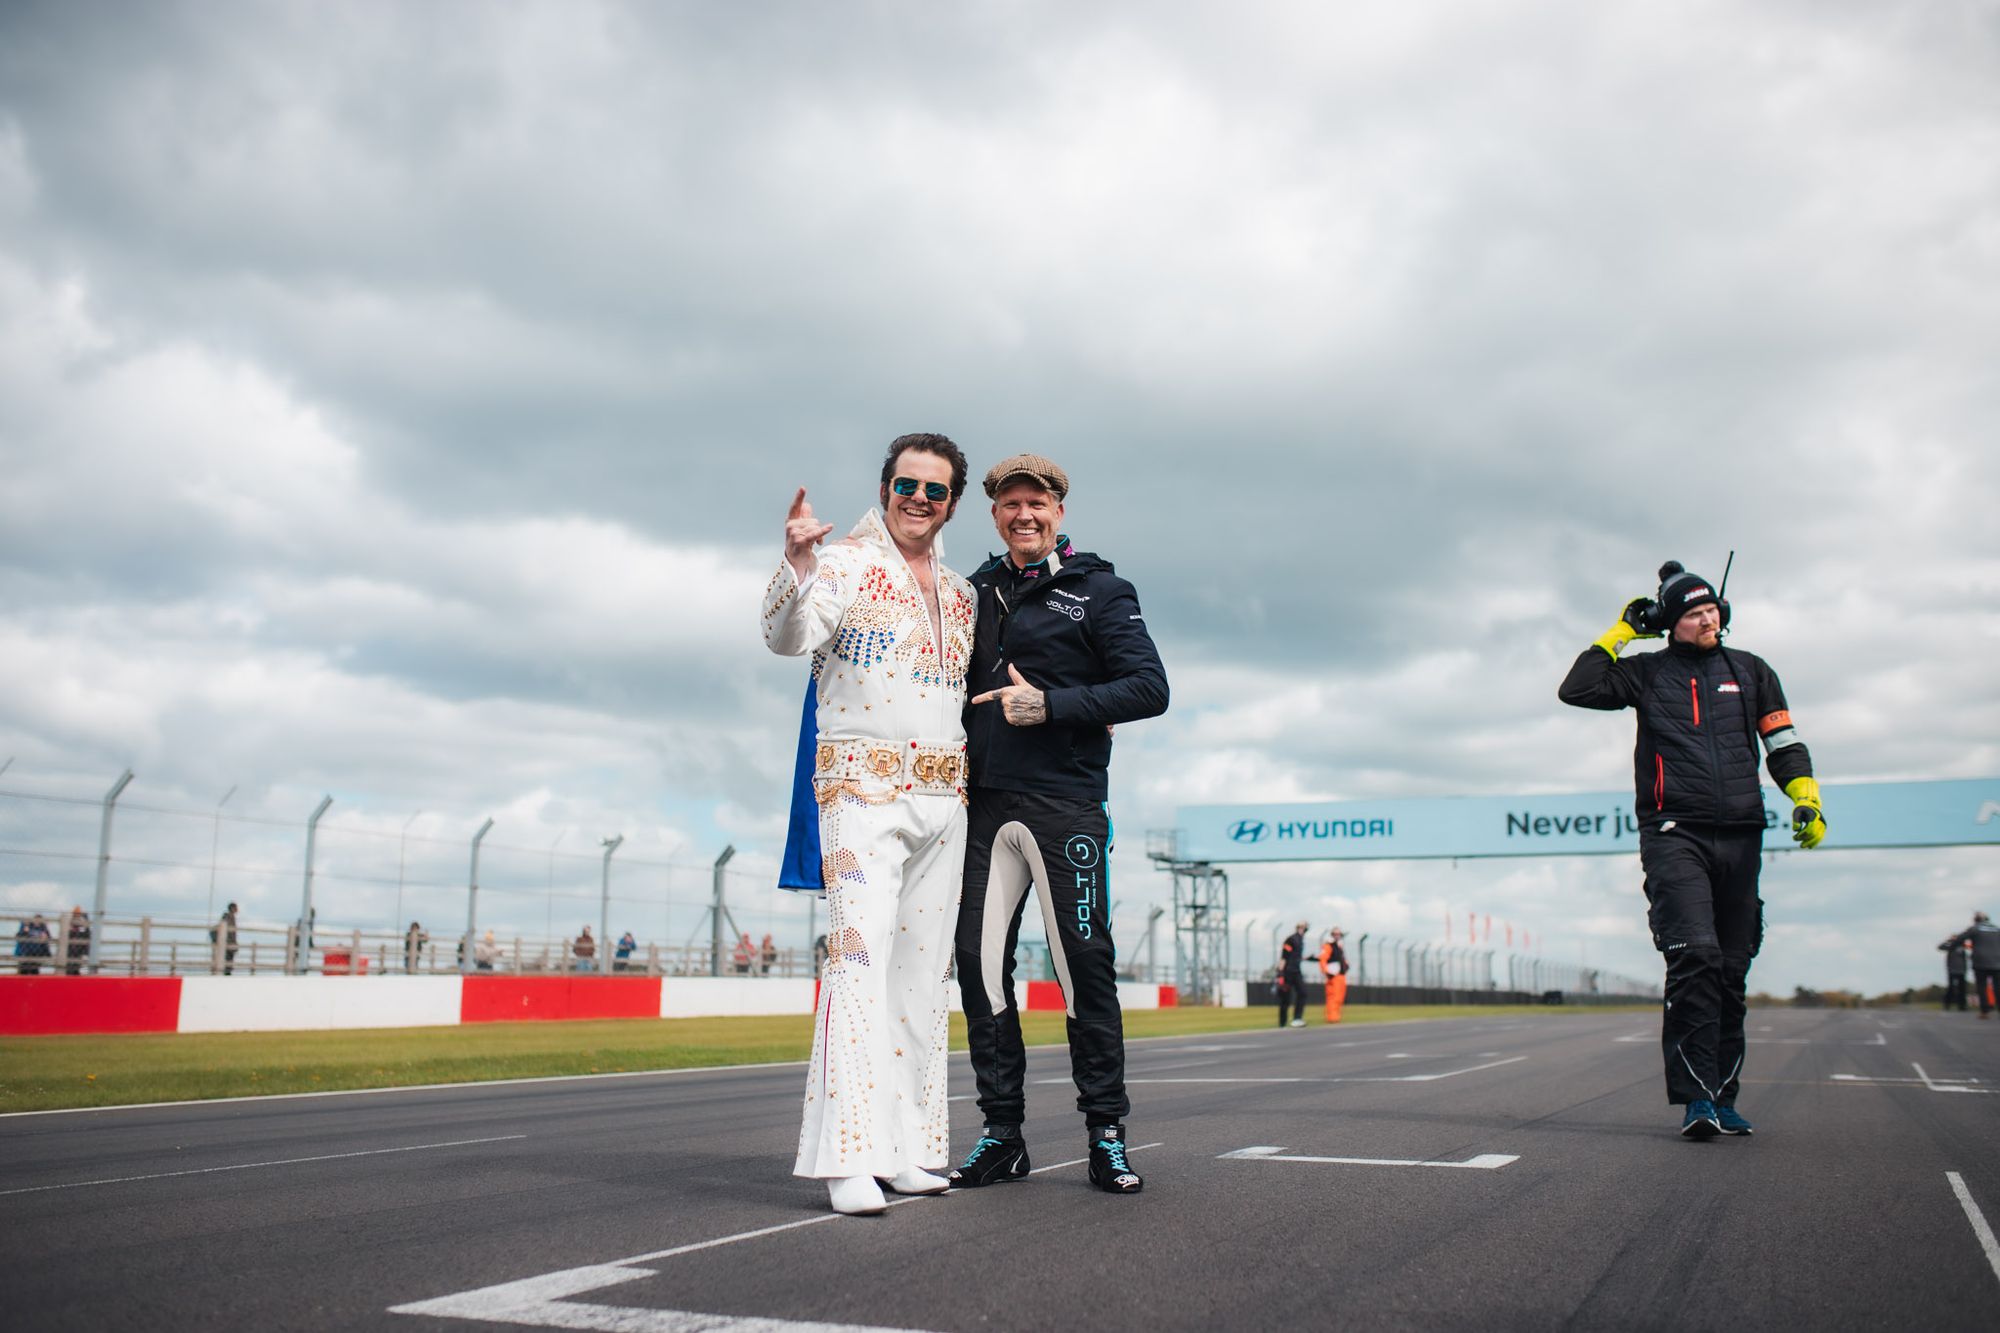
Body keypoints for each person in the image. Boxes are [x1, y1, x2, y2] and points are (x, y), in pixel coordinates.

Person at [761, 432, 977, 1216]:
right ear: (886, 488)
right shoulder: (844, 563)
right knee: (855, 964)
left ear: (951, 502)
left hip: (945, 798)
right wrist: (796, 564)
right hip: (859, 790)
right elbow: (788, 636)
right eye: (906, 485)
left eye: (934, 489)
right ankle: (849, 1157)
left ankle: (909, 1149)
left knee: (923, 979)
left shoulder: (962, 592)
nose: (918, 499)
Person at [948, 453, 1169, 1196]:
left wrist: (1050, 705)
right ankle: (1002, 1135)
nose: (1024, 515)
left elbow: (1150, 687)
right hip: (985, 807)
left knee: (1083, 966)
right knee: (978, 969)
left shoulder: (1101, 590)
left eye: (1037, 503)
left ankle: (1106, 1134)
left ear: (1058, 512)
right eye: (1011, 504)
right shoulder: (972, 591)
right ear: (995, 515)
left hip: (1065, 805)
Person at [1560, 560, 1824, 1139]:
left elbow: (1783, 743)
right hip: (1673, 833)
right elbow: (1577, 688)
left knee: (1731, 968)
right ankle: (1696, 1101)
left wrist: (1806, 797)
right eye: (1694, 613)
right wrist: (1621, 632)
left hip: (1742, 833)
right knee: (1695, 956)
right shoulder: (1646, 672)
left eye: (1712, 610)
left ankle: (1724, 1099)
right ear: (1669, 623)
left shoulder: (1752, 671)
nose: (1707, 620)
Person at [1949, 912, 2000, 1019]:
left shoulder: (1975, 928)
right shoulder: (1996, 928)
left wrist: (1952, 946)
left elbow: (1960, 938)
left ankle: (1984, 1011)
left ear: (1976, 920)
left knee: (1982, 986)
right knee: (1998, 986)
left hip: (1980, 961)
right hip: (1997, 961)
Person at [1277, 922, 1308, 1027]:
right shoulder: (1291, 939)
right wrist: (1281, 973)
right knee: (1286, 997)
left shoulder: (1301, 941)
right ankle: (1282, 1023)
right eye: (1301, 927)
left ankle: (1297, 1018)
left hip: (1296, 971)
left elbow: (1297, 957)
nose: (1303, 930)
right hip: (1288, 971)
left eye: (1304, 928)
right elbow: (1284, 957)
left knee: (1303, 992)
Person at [1319, 927, 1349, 1024]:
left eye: (1339, 934)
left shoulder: (1339, 947)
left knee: (1339, 997)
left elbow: (1342, 960)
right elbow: (1323, 959)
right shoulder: (1328, 945)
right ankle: (1332, 1018)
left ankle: (1335, 1017)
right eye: (1335, 934)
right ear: (1332, 935)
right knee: (1334, 997)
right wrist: (1326, 971)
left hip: (1341, 975)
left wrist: (1346, 965)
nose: (1337, 936)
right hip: (1334, 976)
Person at [1939, 929, 1970, 1013]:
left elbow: (1970, 947)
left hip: (1962, 970)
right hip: (1952, 970)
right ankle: (1947, 1004)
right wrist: (1949, 940)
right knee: (1951, 988)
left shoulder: (1962, 945)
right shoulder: (1950, 946)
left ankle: (1962, 1005)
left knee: (1962, 989)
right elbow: (1940, 947)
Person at [63, 907, 91, 975]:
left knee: (78, 959)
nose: (76, 914)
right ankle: (70, 970)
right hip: (71, 944)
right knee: (70, 959)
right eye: (75, 913)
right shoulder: (70, 921)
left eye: (78, 913)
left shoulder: (83, 922)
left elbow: (86, 933)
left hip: (79, 944)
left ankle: (76, 970)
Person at [216, 902, 239, 975]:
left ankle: (227, 973)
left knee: (229, 960)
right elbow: (227, 930)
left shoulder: (231, 917)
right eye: (236, 907)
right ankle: (226, 973)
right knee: (227, 959)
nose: (237, 909)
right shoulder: (227, 916)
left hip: (230, 942)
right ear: (232, 908)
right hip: (227, 941)